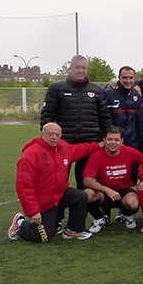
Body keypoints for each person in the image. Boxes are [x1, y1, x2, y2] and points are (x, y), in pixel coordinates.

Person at [9, 123, 100, 242]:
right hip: (43, 200)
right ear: (42, 134)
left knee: (80, 196)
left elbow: (78, 150)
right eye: (50, 134)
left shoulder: (63, 147)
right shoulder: (30, 154)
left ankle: (73, 230)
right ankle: (20, 223)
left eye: (57, 134)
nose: (54, 137)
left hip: (58, 194)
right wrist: (33, 212)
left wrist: (98, 145)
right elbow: (24, 186)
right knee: (43, 236)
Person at [40, 54, 111, 189]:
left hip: (89, 142)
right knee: (58, 182)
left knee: (85, 183)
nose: (81, 71)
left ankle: (81, 210)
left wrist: (105, 138)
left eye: (83, 68)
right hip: (64, 143)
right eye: (77, 67)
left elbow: (105, 118)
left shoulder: (96, 90)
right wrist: (47, 137)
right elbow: (47, 115)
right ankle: (57, 209)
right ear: (71, 69)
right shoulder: (56, 88)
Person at [81, 126, 143, 232]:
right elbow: (87, 180)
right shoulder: (96, 155)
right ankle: (99, 218)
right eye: (110, 139)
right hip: (104, 192)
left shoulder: (131, 152)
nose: (113, 142)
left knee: (133, 203)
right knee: (87, 194)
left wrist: (139, 185)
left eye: (116, 140)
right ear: (104, 140)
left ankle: (127, 215)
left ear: (122, 141)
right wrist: (107, 190)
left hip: (126, 190)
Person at [104, 66, 142, 151]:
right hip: (114, 142)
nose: (128, 81)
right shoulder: (108, 93)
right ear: (119, 78)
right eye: (124, 77)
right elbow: (103, 118)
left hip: (133, 142)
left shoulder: (136, 93)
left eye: (131, 78)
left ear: (135, 78)